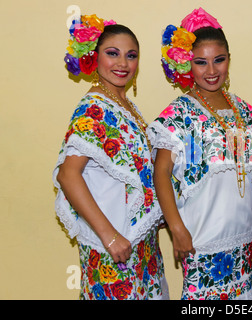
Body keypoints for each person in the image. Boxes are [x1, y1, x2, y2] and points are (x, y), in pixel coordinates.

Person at [150, 8, 252, 300]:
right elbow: (161, 172)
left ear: (229, 59)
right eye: (200, 63)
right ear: (186, 66)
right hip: (202, 239)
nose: (212, 70)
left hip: (246, 240)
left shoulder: (249, 115)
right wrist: (177, 229)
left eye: (219, 60)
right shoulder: (178, 115)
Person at [53, 14, 169, 300]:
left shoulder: (126, 105)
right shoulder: (93, 108)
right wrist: (109, 236)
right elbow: (67, 175)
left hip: (140, 245)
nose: (123, 63)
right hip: (113, 248)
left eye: (131, 56)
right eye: (112, 53)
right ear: (94, 57)